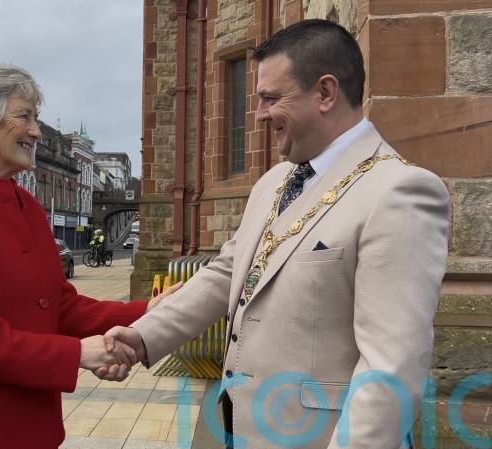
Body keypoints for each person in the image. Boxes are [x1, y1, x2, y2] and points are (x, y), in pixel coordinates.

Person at [102, 19, 449, 449]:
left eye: (270, 98)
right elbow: (227, 274)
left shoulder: (399, 191)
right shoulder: (274, 181)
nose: (259, 114)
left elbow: (391, 367)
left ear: (325, 93)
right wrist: (142, 336)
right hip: (242, 427)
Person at [0, 58, 175, 449]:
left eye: (36, 118)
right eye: (23, 116)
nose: (36, 131)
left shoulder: (26, 204)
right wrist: (79, 353)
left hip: (33, 425)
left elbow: (60, 306)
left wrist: (149, 311)